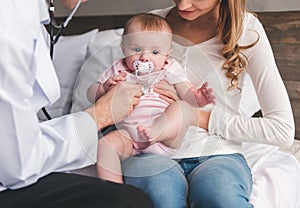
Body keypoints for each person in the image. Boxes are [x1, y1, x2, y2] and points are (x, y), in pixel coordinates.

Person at [119, 0, 296, 208]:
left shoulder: (247, 30)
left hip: (218, 154)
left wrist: (196, 116)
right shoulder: (151, 25)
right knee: (161, 196)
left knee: (220, 198)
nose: (183, 5)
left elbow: (282, 130)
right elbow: (118, 93)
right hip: (150, 151)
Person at [0, 1, 154, 207]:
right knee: (125, 201)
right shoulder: (11, 15)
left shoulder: (31, 15)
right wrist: (100, 114)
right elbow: (18, 165)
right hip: (13, 173)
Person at [87, 13, 216, 184]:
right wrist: (105, 89)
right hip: (130, 137)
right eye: (136, 50)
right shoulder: (118, 70)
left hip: (166, 137)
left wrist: (199, 97)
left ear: (167, 55)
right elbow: (90, 94)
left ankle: (155, 132)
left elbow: (187, 95)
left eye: (155, 52)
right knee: (105, 145)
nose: (144, 58)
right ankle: (114, 190)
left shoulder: (169, 69)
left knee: (182, 108)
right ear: (123, 48)